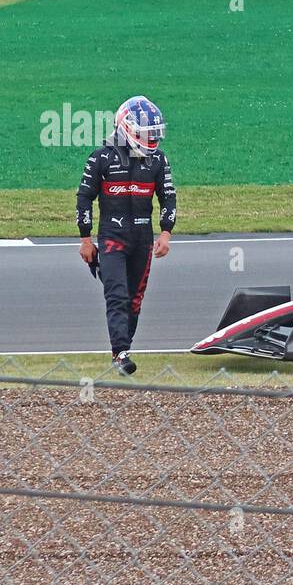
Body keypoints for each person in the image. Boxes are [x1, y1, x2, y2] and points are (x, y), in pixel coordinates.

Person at [77, 96, 176, 376]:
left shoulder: (158, 160)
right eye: (146, 134)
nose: (151, 139)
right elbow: (84, 198)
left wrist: (166, 234)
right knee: (117, 296)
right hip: (111, 238)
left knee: (135, 299)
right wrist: (85, 239)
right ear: (126, 128)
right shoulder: (100, 158)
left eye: (154, 134)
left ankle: (124, 347)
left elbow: (168, 197)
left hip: (143, 240)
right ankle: (120, 353)